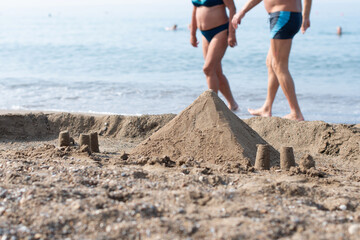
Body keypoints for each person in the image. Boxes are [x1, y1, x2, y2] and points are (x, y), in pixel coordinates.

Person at [232, 0, 312, 121]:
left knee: (278, 65)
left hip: (283, 15)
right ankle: (267, 107)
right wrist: (305, 16)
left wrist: (242, 11)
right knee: (271, 62)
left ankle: (296, 113)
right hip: (285, 15)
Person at [191, 0, 239, 111]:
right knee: (216, 72)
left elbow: (232, 8)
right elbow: (194, 10)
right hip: (204, 34)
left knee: (208, 69)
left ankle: (213, 106)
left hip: (220, 30)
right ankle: (233, 104)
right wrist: (193, 34)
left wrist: (232, 33)